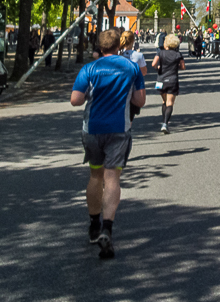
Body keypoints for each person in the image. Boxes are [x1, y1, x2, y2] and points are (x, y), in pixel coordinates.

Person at [70, 28, 146, 259]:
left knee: (95, 176)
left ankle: (94, 224)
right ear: (118, 46)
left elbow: (75, 100)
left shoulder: (89, 69)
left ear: (99, 47)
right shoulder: (131, 68)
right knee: (112, 178)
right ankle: (107, 228)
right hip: (119, 128)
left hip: (92, 129)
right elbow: (140, 101)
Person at [151, 33, 185, 133]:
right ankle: (165, 123)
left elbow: (153, 64)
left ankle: (163, 120)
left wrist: (158, 68)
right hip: (172, 80)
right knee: (170, 103)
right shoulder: (178, 54)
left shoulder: (160, 53)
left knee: (164, 101)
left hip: (160, 79)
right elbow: (183, 67)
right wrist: (175, 67)